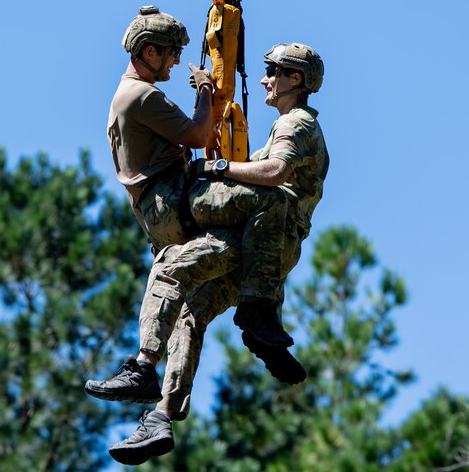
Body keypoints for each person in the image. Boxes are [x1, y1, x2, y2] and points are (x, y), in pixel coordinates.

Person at [94, 42, 329, 466]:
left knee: (169, 267)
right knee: (191, 312)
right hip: (266, 251)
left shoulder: (295, 124)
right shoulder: (294, 125)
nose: (264, 79)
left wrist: (214, 168)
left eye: (273, 71)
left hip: (265, 239)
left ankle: (147, 365)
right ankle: (163, 414)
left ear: (296, 79)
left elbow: (273, 176)